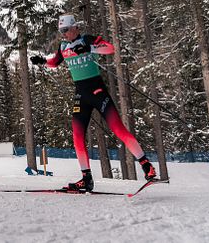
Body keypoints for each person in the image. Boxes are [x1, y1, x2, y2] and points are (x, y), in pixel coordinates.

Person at [30, 14, 158, 192]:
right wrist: (43, 61)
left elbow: (109, 48)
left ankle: (147, 166)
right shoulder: (63, 46)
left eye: (65, 30)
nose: (63, 34)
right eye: (61, 31)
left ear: (75, 27)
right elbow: (55, 62)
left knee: (118, 129)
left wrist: (89, 48)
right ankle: (86, 178)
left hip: (97, 90)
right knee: (77, 136)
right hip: (81, 95)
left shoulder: (87, 39)